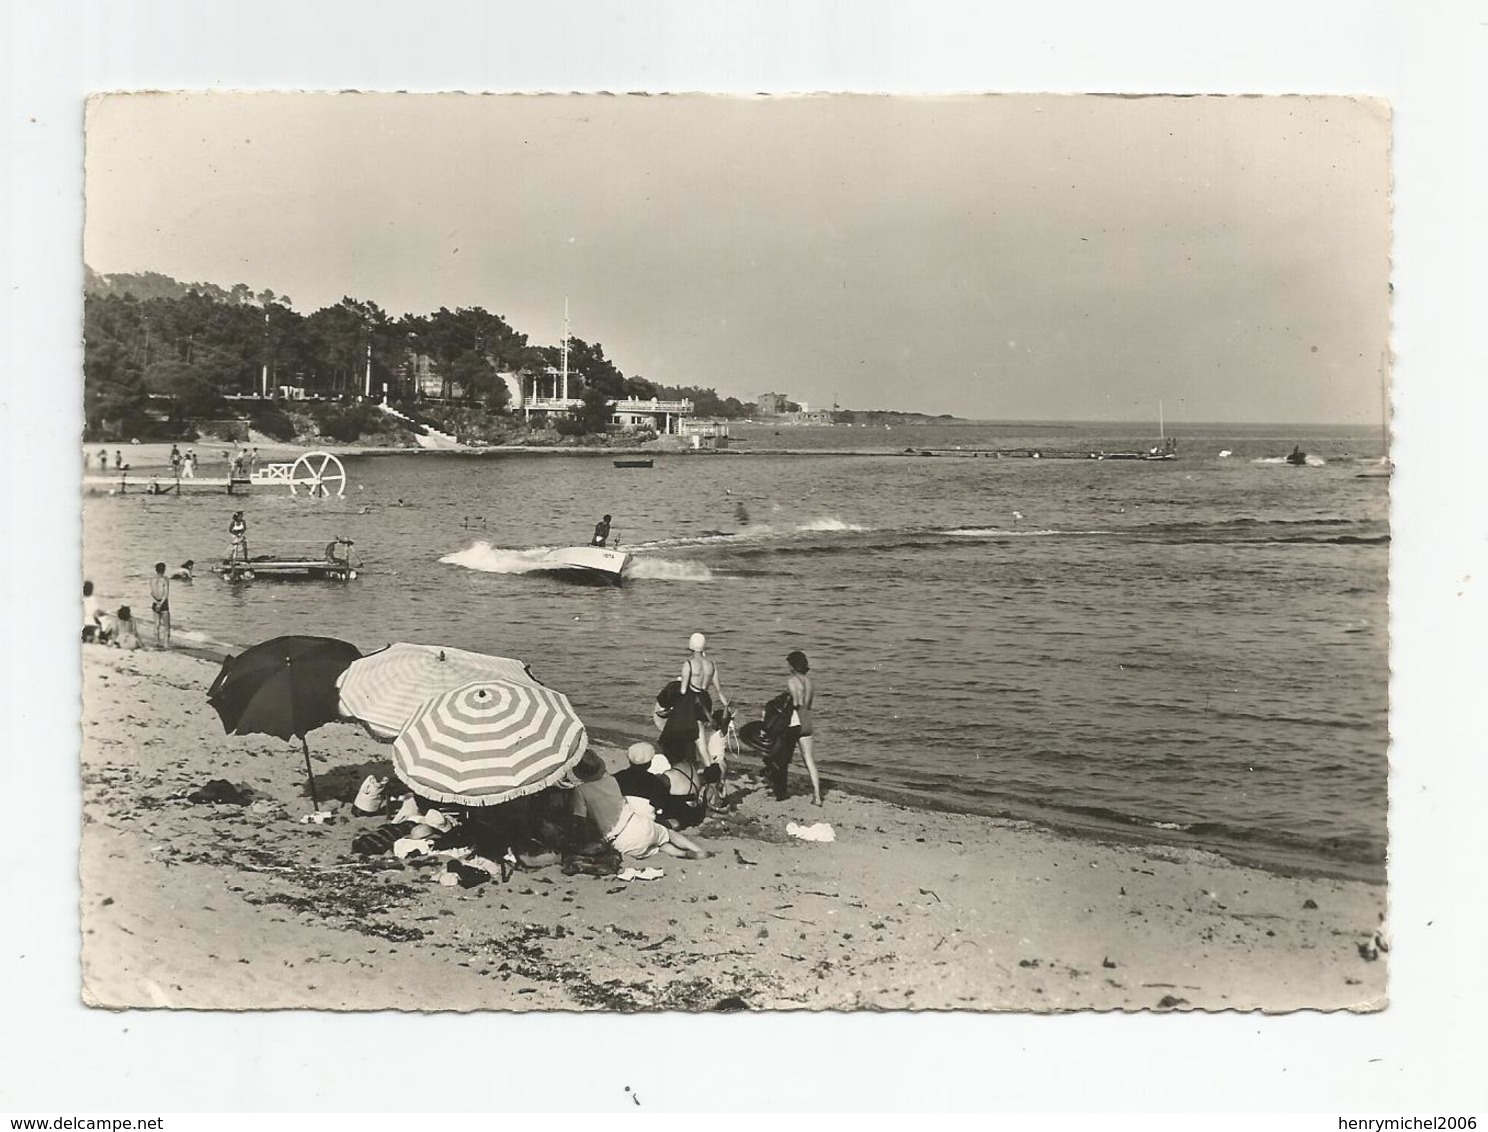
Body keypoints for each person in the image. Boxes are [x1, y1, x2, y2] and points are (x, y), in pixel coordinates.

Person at [567, 750, 712, 860]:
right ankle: (694, 850)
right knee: (666, 834)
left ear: (580, 774)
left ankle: (681, 854)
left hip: (622, 842)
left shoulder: (580, 791)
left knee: (657, 848)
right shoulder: (612, 781)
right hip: (641, 826)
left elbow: (581, 821)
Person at [680, 632, 729, 767]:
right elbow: (718, 690)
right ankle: (706, 763)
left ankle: (707, 766)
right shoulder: (711, 665)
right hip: (705, 699)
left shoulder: (688, 664)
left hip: (692, 700)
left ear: (691, 646)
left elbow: (683, 690)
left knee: (696, 737)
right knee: (700, 732)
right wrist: (726, 706)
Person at [785, 650, 823, 806]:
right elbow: (807, 704)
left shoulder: (791, 681)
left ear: (793, 666)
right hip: (807, 718)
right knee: (809, 759)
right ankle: (818, 796)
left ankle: (781, 788)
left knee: (783, 754)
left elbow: (794, 704)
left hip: (795, 718)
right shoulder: (810, 683)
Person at [149, 562, 171, 648]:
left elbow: (152, 593)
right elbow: (166, 594)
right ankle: (166, 644)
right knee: (166, 625)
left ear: (156, 570)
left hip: (155, 601)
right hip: (163, 603)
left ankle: (157, 642)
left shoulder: (152, 579)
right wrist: (161, 603)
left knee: (156, 624)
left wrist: (157, 602)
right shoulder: (165, 579)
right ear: (164, 570)